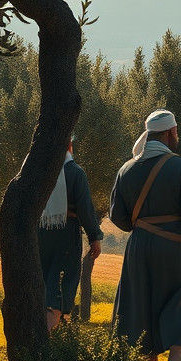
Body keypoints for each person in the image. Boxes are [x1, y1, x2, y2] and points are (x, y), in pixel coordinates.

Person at [110, 109, 181, 361]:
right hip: (175, 246)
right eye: (176, 132)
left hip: (139, 246)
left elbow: (117, 216)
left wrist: (142, 228)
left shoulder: (126, 169)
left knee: (142, 300)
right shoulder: (180, 167)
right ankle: (176, 355)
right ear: (170, 133)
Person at [38, 135, 103, 331]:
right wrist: (94, 237)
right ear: (69, 145)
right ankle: (50, 337)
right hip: (66, 235)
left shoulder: (39, 171)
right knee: (61, 286)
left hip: (41, 233)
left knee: (45, 281)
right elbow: (85, 209)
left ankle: (49, 334)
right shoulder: (75, 172)